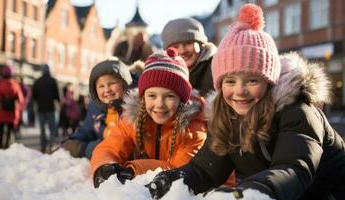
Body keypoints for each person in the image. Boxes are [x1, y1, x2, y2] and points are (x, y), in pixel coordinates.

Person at [146, 4, 345, 200]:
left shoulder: (296, 110)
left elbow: (293, 168)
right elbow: (205, 170)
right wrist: (170, 180)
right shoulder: (226, 115)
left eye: (251, 80)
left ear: (268, 81)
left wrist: (252, 191)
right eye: (230, 81)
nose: (240, 91)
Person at [90, 48, 208, 188]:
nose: (159, 104)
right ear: (143, 97)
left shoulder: (192, 127)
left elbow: (180, 169)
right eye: (152, 95)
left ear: (182, 99)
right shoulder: (132, 118)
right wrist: (104, 166)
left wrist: (133, 170)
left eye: (169, 96)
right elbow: (110, 147)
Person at [60, 59, 133, 159]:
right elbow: (86, 130)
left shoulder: (132, 109)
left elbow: (120, 145)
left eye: (111, 83)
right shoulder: (96, 109)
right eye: (101, 86)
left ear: (124, 85)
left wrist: (83, 148)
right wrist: (72, 141)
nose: (107, 90)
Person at [161, 17, 217, 97]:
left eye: (188, 43)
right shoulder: (164, 75)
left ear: (201, 44)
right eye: (175, 47)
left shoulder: (215, 68)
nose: (183, 51)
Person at [0, 65, 24, 148]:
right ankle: (7, 145)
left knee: (0, 128)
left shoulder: (0, 84)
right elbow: (20, 99)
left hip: (1, 110)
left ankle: (0, 144)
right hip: (12, 111)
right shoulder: (15, 84)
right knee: (9, 129)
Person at [32, 64, 60, 153]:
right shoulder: (53, 81)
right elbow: (57, 95)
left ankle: (43, 146)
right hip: (50, 108)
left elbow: (34, 96)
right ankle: (51, 145)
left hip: (41, 108)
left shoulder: (37, 81)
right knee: (52, 128)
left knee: (42, 129)